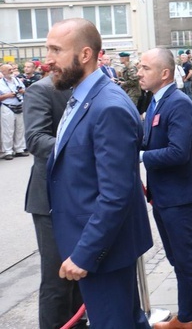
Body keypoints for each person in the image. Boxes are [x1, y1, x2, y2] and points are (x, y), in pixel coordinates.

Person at [45, 18, 153, 328]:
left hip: (104, 250)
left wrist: (85, 254)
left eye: (55, 50)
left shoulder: (108, 107)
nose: (47, 59)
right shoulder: (82, 96)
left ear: (85, 55)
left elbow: (115, 194)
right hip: (97, 244)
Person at [137, 48, 192, 329]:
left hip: (178, 196)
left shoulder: (178, 103)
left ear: (164, 74)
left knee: (189, 261)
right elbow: (148, 141)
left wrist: (139, 157)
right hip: (162, 196)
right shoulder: (154, 102)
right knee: (179, 260)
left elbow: (178, 152)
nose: (138, 73)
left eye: (145, 68)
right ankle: (187, 319)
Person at [24, 75, 86, 329]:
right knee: (57, 280)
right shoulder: (41, 90)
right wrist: (85, 147)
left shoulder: (89, 87)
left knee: (80, 275)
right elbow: (36, 139)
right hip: (50, 198)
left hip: (80, 196)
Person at [0, 63, 28, 160]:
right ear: (3, 72)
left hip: (19, 106)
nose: (12, 71)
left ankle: (19, 149)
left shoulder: (17, 80)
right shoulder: (1, 83)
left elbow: (25, 90)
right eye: (9, 70)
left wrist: (21, 91)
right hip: (7, 107)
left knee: (20, 128)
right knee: (8, 130)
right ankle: (8, 151)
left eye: (12, 69)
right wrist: (6, 96)